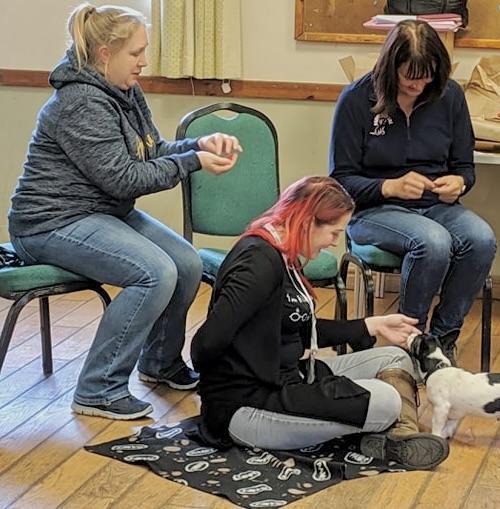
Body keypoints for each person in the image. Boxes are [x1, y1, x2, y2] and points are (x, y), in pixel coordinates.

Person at [8, 3, 242, 420]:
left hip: (99, 212)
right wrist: (192, 163)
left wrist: (199, 145)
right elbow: (125, 179)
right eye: (136, 53)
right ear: (104, 54)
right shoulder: (80, 102)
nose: (144, 61)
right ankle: (98, 388)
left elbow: (149, 150)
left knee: (186, 263)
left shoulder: (124, 90)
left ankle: (159, 362)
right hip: (48, 223)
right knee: (155, 273)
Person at [191, 176, 449, 471]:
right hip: (245, 408)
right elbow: (204, 345)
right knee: (387, 401)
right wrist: (234, 382)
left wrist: (371, 326)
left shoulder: (282, 252)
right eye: (334, 232)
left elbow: (298, 329)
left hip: (288, 378)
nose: (335, 242)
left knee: (394, 357)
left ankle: (395, 439)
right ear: (306, 222)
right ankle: (392, 437)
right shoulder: (257, 264)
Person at [329, 20, 496, 363]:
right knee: (433, 242)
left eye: (427, 76)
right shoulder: (357, 100)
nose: (419, 84)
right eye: (410, 76)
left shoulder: (449, 96)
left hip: (436, 206)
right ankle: (408, 341)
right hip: (372, 209)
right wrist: (388, 186)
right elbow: (341, 181)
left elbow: (465, 167)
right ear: (391, 69)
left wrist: (459, 183)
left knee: (481, 239)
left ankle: (441, 341)